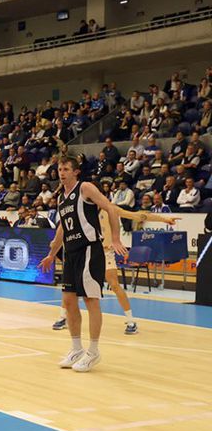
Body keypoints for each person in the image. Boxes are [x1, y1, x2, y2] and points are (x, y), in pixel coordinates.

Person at [40, 155, 128, 373]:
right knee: (69, 302)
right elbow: (62, 229)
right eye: (60, 169)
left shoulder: (85, 188)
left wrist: (115, 238)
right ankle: (76, 348)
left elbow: (111, 208)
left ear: (75, 171)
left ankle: (94, 351)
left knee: (90, 300)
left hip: (90, 249)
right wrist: (52, 254)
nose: (61, 172)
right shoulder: (62, 198)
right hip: (70, 254)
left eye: (66, 169)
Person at [51, 203, 179, 335]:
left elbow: (137, 215)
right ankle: (62, 317)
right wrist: (55, 243)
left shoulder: (109, 209)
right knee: (72, 287)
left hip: (105, 252)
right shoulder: (80, 208)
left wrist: (163, 219)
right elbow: (64, 228)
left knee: (114, 285)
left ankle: (131, 321)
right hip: (86, 252)